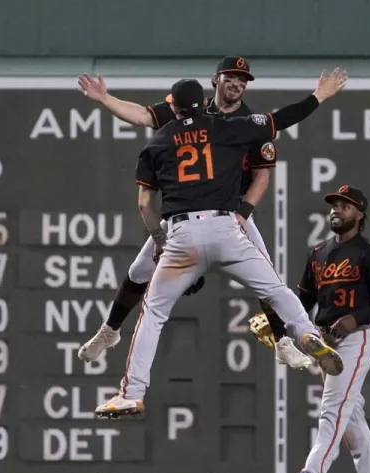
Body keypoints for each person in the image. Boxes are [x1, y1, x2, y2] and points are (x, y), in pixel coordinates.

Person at [95, 69, 348, 419]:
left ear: (175, 107)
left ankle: (132, 394)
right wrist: (319, 96)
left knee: (152, 314)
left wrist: (158, 239)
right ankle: (306, 333)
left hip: (181, 234)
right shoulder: (226, 127)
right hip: (226, 227)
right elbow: (278, 120)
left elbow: (144, 205)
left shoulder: (157, 143)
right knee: (275, 289)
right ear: (202, 102)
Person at [76, 56, 311, 370]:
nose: (237, 83)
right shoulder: (190, 108)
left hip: (230, 210)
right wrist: (106, 98)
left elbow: (262, 174)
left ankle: (282, 342)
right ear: (216, 80)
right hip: (184, 212)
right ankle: (110, 331)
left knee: (267, 277)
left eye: (243, 79)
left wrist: (242, 212)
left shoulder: (247, 121)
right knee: (138, 272)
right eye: (231, 76)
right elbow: (144, 115)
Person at [280, 185, 370, 473]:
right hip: (325, 343)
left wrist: (354, 319)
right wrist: (280, 323)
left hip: (356, 339)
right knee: (351, 412)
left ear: (360, 214)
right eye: (334, 205)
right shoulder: (319, 253)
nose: (336, 210)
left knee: (333, 409)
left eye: (344, 206)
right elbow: (302, 299)